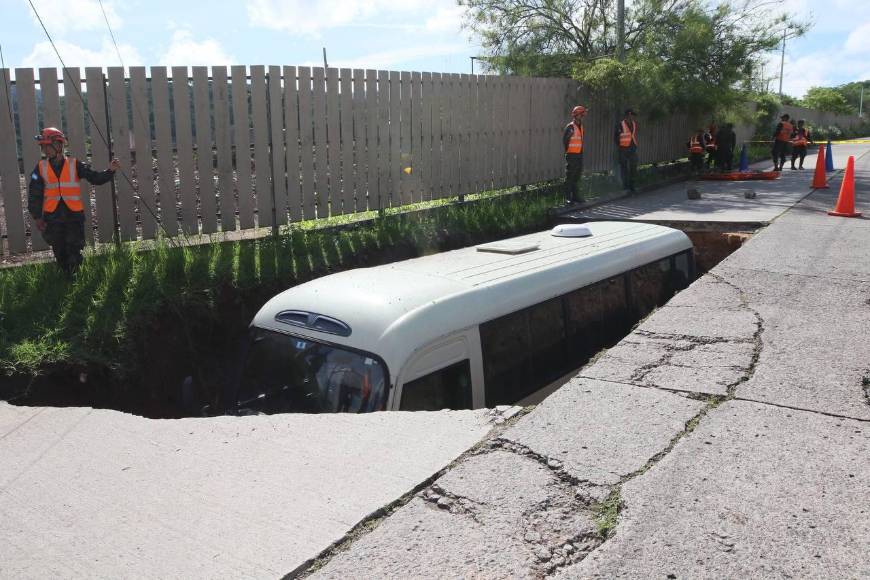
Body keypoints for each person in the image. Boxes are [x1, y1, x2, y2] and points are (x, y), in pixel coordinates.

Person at [28, 127, 119, 274]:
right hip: (53, 218)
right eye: (42, 146)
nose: (44, 149)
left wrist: (110, 171)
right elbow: (34, 194)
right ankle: (65, 277)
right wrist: (37, 217)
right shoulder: (40, 168)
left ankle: (75, 277)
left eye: (46, 146)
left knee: (74, 250)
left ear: (58, 145)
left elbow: (95, 178)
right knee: (59, 250)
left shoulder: (75, 164)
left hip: (73, 217)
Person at [562, 105, 587, 204]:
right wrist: (568, 152)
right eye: (581, 115)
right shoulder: (570, 127)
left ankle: (576, 196)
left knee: (577, 176)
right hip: (572, 155)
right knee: (570, 176)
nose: (582, 117)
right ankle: (568, 198)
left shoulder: (581, 127)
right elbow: (565, 141)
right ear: (576, 115)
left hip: (579, 155)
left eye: (582, 115)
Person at [615, 109, 639, 193]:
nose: (633, 117)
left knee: (633, 167)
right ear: (628, 115)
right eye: (632, 115)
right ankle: (625, 187)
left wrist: (634, 145)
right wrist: (621, 146)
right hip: (623, 149)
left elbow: (633, 135)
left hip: (632, 148)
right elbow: (616, 138)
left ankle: (632, 186)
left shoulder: (634, 124)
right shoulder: (620, 125)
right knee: (624, 168)